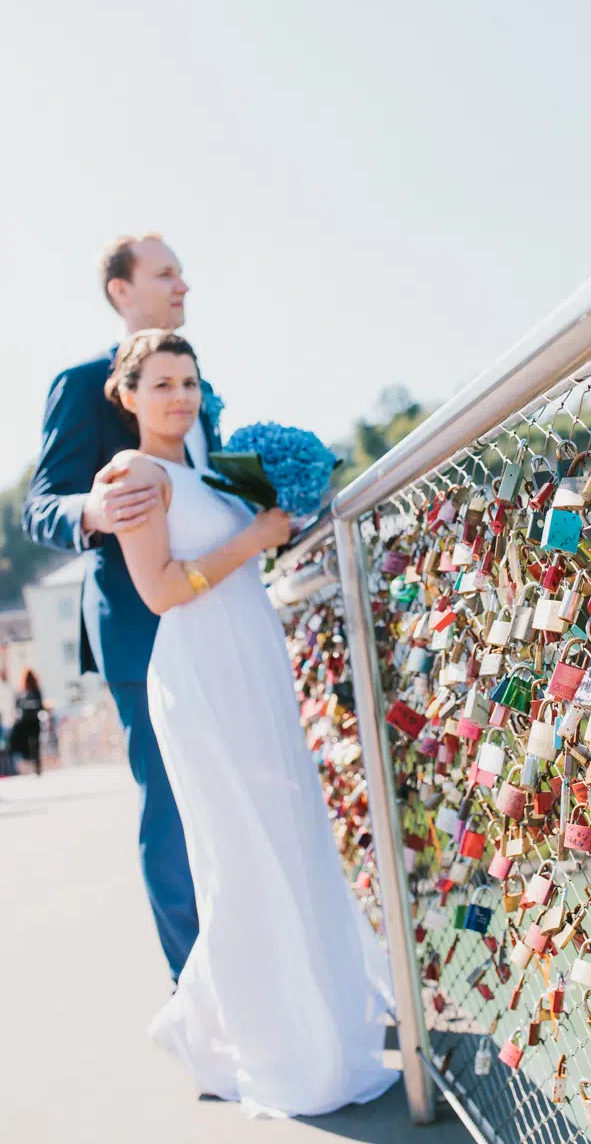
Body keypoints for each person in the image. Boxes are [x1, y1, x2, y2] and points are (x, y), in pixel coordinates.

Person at [102, 327, 398, 1116]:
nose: (180, 397)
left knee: (286, 835)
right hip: (202, 671)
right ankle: (269, 1041)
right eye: (161, 383)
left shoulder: (202, 470)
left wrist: (269, 521)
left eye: (189, 381)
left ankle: (236, 1019)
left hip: (250, 661)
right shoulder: (135, 472)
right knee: (242, 853)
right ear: (127, 394)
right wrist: (255, 538)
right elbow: (162, 590)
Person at [23, 235, 222, 984]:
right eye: (166, 273)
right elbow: (41, 507)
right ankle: (195, 989)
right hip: (140, 630)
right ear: (121, 291)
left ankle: (247, 971)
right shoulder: (81, 384)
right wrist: (94, 508)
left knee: (228, 796)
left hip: (215, 619)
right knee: (170, 810)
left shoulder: (203, 389)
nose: (183, 284)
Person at [10, 670, 44, 775]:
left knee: (28, 744)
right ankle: (36, 765)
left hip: (26, 722)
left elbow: (17, 707)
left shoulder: (22, 692)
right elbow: (40, 706)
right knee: (35, 744)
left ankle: (31, 765)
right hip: (34, 722)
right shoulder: (36, 691)